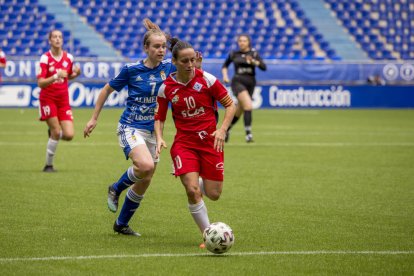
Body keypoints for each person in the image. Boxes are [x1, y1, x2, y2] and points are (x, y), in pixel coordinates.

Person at [83, 19, 180, 236]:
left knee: (145, 179)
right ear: (146, 48)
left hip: (153, 130)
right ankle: (115, 188)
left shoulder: (169, 67)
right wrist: (93, 118)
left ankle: (121, 224)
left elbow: (188, 54)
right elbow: (106, 90)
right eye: (156, 46)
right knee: (145, 166)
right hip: (131, 126)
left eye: (163, 46)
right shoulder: (131, 69)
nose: (161, 50)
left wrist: (167, 37)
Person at [154, 39, 236, 247]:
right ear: (174, 61)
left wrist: (222, 129)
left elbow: (230, 104)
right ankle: (207, 234)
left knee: (214, 194)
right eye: (185, 61)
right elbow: (160, 117)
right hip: (184, 144)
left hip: (210, 143)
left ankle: (196, 179)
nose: (190, 65)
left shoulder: (207, 80)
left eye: (192, 60)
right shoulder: (166, 88)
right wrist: (160, 137)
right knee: (191, 190)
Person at [37, 30, 81, 172]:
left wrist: (75, 74)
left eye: (60, 37)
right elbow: (41, 83)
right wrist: (55, 75)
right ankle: (48, 165)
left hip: (63, 100)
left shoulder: (69, 58)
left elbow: (67, 76)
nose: (57, 39)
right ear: (50, 40)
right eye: (54, 37)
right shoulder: (45, 58)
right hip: (48, 99)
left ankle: (53, 134)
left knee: (69, 135)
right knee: (56, 131)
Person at [221, 34, 266, 143]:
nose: (242, 43)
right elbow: (225, 66)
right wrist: (225, 76)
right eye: (240, 41)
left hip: (250, 83)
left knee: (240, 110)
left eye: (244, 41)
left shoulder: (253, 53)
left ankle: (226, 130)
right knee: (248, 105)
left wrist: (254, 61)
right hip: (238, 82)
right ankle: (248, 135)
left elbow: (264, 67)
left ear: (248, 42)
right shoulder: (234, 54)